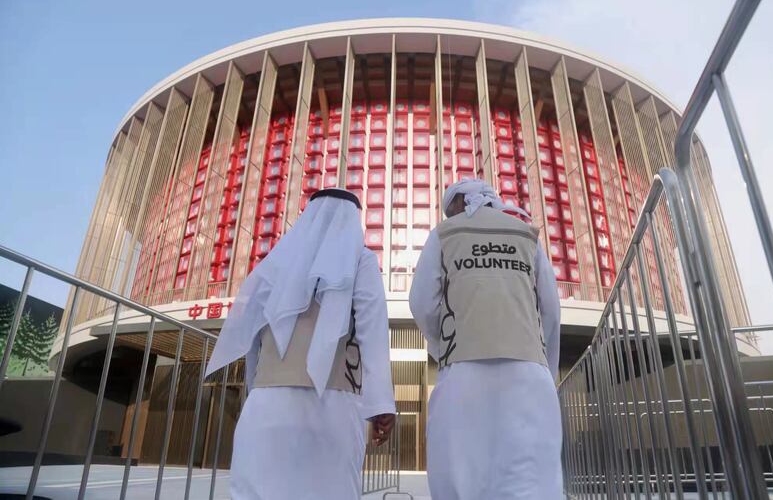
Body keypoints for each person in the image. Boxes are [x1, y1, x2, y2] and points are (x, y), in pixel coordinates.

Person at [205, 188, 396, 500]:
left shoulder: (276, 263)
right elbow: (372, 333)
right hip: (332, 407)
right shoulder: (360, 260)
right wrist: (380, 404)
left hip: (266, 408)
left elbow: (251, 338)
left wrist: (259, 390)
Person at [409, 178, 562, 500]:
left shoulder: (444, 233)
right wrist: (543, 363)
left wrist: (447, 346)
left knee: (465, 472)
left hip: (465, 374)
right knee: (528, 476)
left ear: (459, 204)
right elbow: (550, 309)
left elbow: (421, 303)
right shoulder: (526, 233)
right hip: (528, 375)